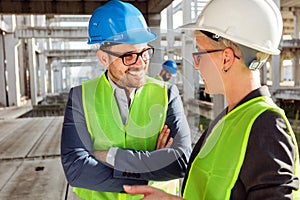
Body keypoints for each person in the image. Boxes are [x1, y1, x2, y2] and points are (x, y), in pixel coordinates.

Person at [124, 0, 300, 199]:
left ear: (226, 58)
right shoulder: (231, 118)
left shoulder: (267, 127)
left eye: (199, 54)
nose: (196, 66)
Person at [60, 1, 192, 200]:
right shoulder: (80, 97)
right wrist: (154, 166)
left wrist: (109, 157)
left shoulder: (167, 94)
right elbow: (77, 170)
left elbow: (180, 162)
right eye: (129, 56)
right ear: (104, 58)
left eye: (145, 53)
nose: (140, 63)